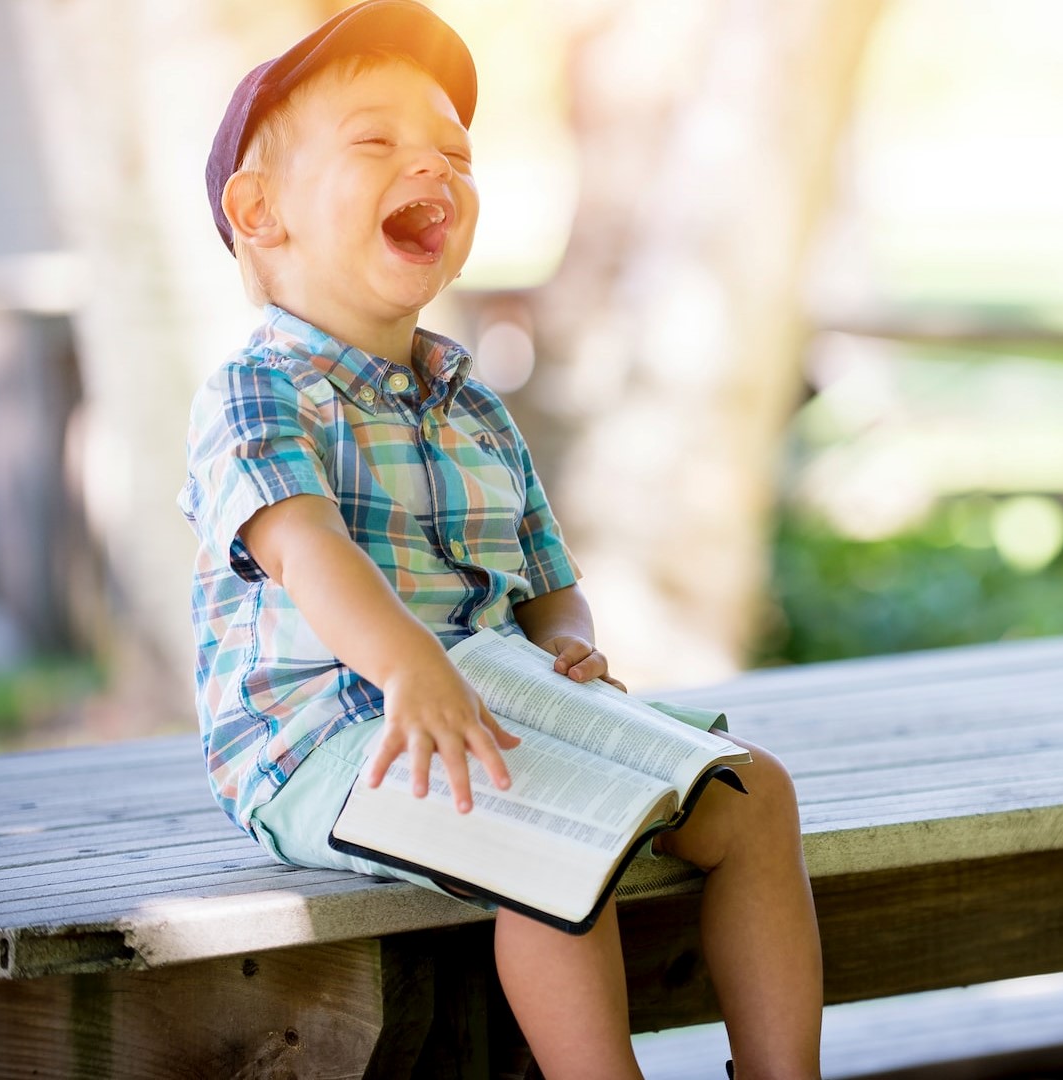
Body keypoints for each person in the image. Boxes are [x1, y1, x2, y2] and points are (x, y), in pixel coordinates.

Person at [176, 4, 822, 1076]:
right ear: (261, 211)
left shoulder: (470, 398)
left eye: (455, 155)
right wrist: (410, 666)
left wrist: (568, 639)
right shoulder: (257, 392)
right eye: (377, 142)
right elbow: (305, 549)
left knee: (755, 795)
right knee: (551, 838)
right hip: (324, 736)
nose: (430, 166)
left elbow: (547, 579)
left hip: (492, 694)